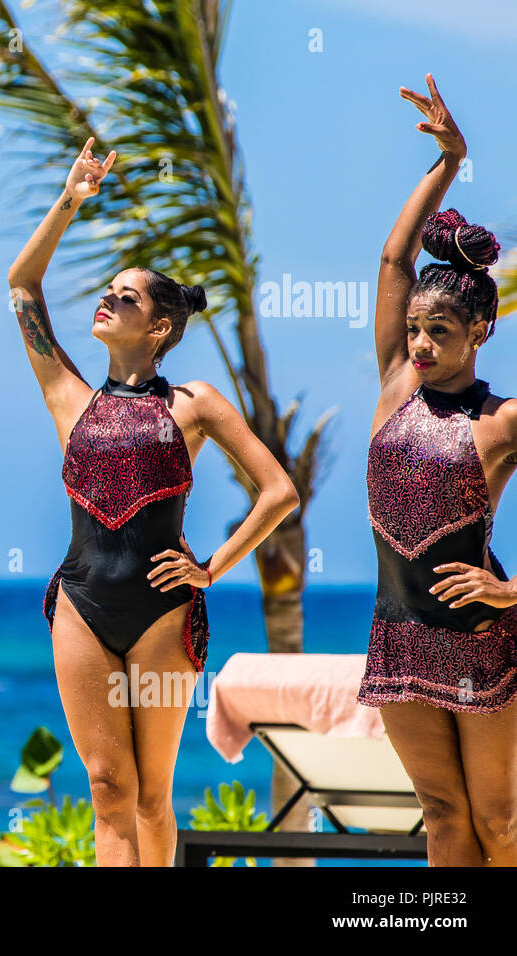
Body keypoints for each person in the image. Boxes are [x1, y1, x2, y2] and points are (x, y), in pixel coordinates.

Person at [7, 138, 299, 866]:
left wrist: (212, 568)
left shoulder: (192, 403)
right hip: (81, 602)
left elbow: (279, 493)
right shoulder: (69, 397)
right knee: (108, 787)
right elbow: (21, 287)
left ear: (160, 328)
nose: (107, 298)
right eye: (109, 289)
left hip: (163, 614)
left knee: (149, 797)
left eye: (126, 296)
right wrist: (71, 199)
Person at [356, 74, 517, 866]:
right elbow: (393, 256)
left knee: (500, 824)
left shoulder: (504, 419)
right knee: (444, 818)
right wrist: (448, 162)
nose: (419, 344)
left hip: (479, 635)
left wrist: (512, 591)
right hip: (400, 633)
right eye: (415, 328)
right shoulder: (395, 385)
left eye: (440, 331)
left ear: (481, 329)